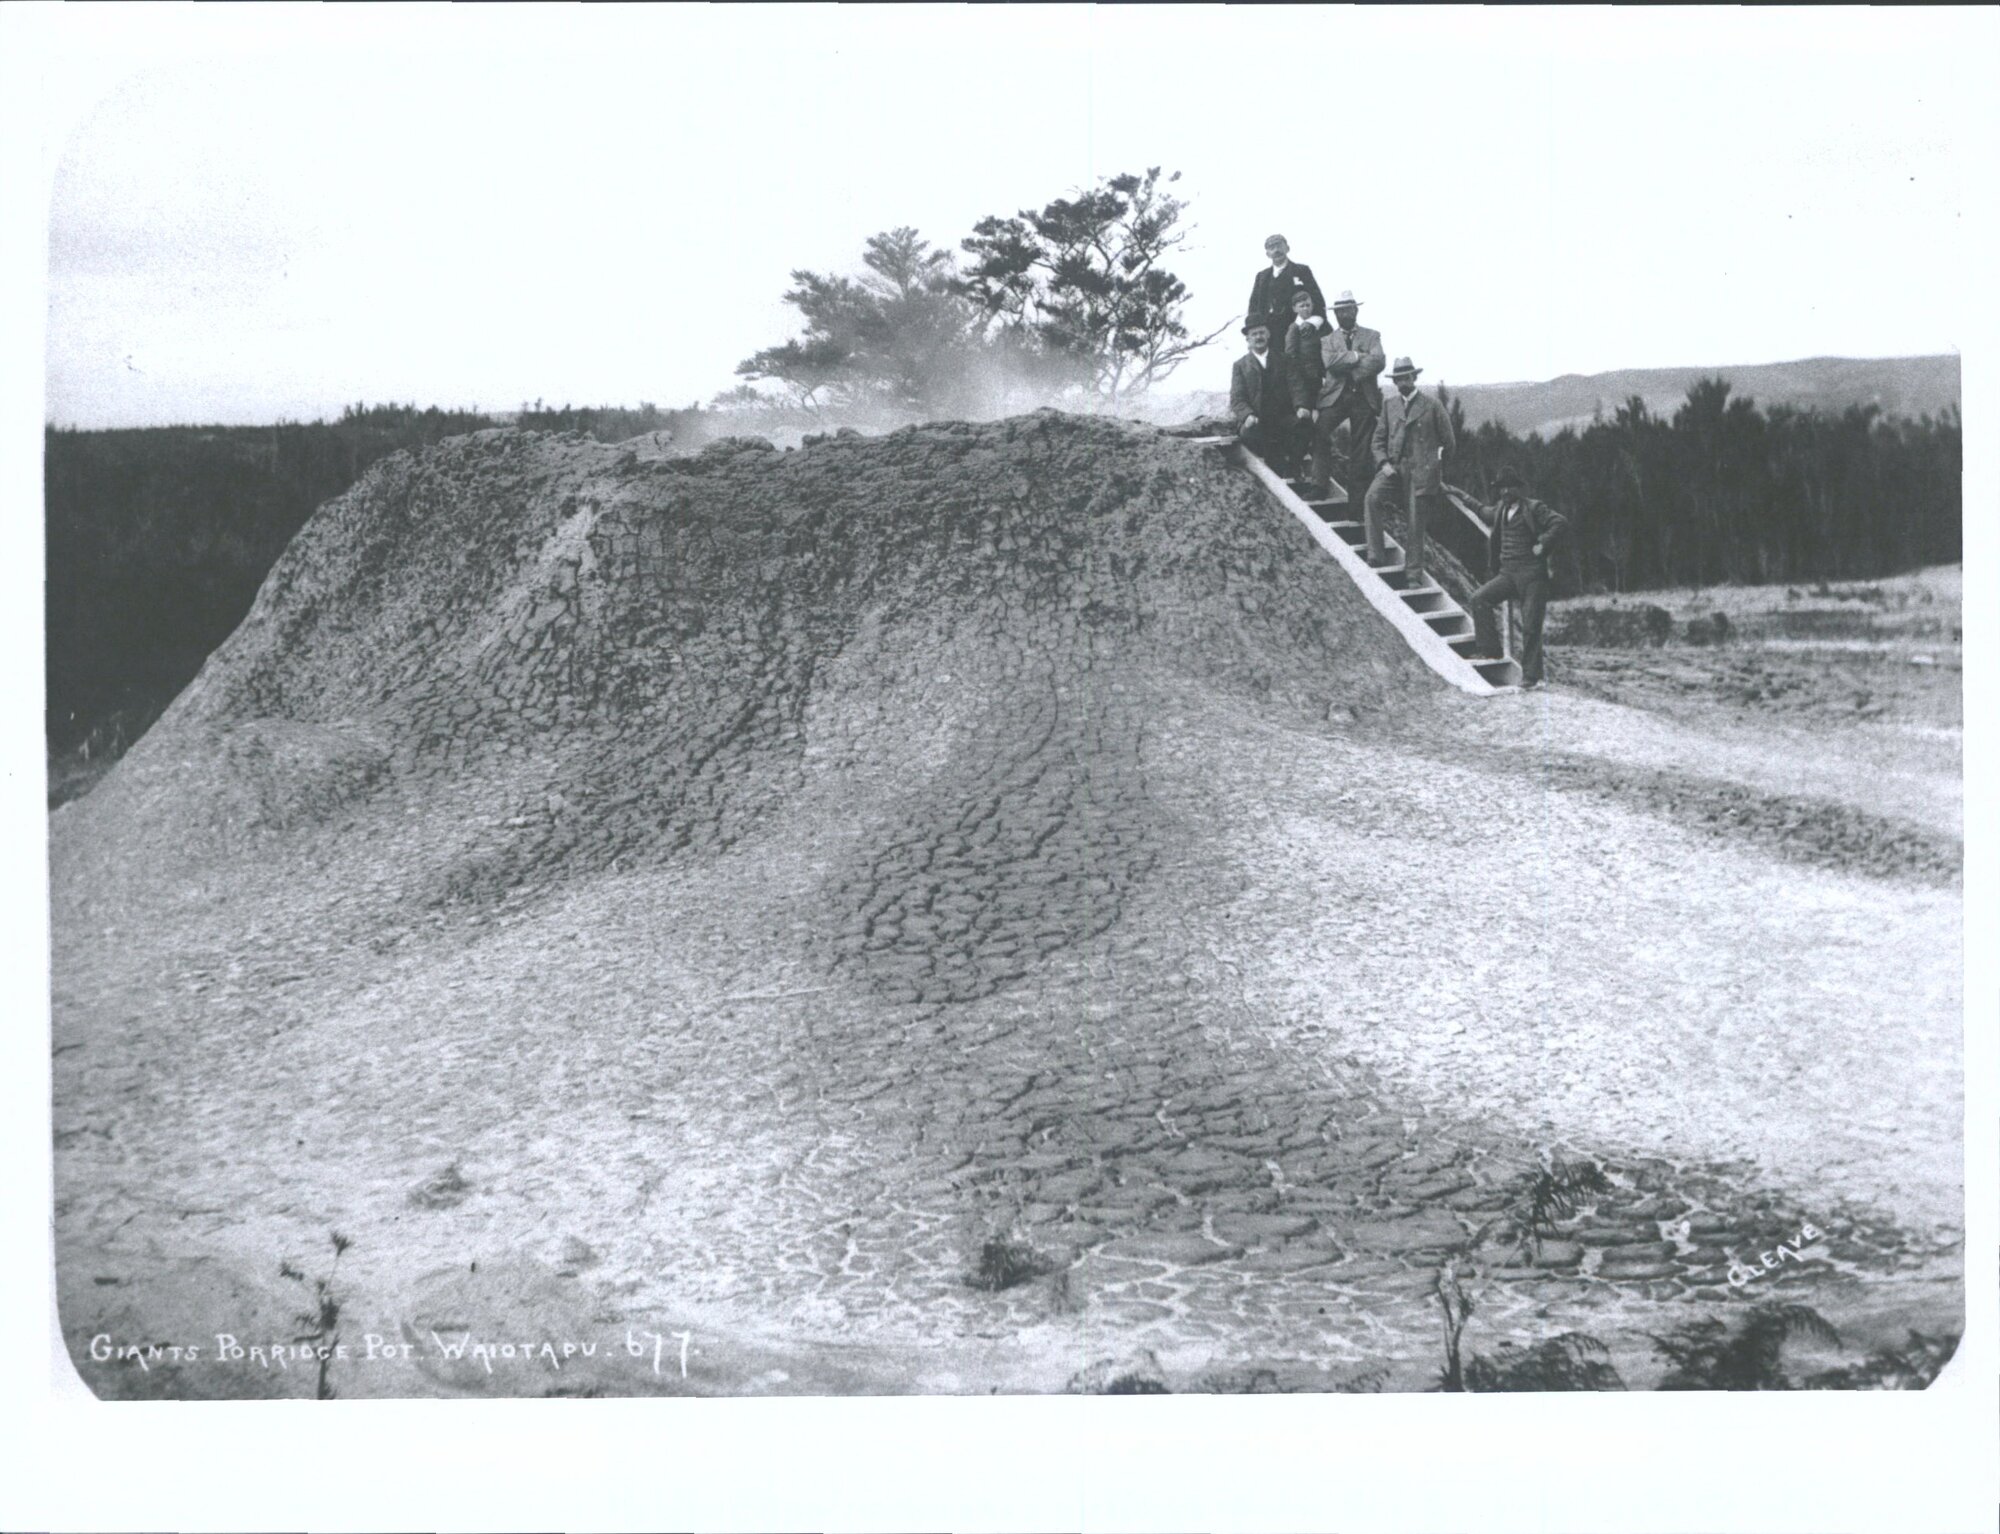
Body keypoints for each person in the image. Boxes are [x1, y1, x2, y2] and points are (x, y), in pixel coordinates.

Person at [1468, 466, 1568, 689]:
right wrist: (1456, 493)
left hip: (1532, 575)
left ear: (1518, 489)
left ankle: (1531, 676)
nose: (1505, 492)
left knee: (1531, 625)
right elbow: (1480, 510)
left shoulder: (1534, 507)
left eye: (1509, 487)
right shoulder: (1500, 510)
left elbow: (1560, 522)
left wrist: (1542, 544)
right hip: (1508, 574)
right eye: (1501, 488)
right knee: (1479, 599)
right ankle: (1490, 650)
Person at [1365, 357, 1455, 576]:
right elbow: (1377, 440)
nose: (1402, 383)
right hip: (1394, 468)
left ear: (1414, 377)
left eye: (1406, 377)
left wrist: (1435, 470)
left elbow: (1449, 442)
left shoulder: (1432, 405)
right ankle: (1376, 555)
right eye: (1398, 379)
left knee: (1415, 521)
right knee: (1372, 497)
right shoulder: (1390, 406)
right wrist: (1384, 463)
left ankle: (1413, 574)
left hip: (1421, 473)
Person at [1313, 290, 1385, 496]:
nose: (1344, 314)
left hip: (1364, 397)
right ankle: (1319, 485)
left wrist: (1350, 370)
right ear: (1335, 314)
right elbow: (1330, 363)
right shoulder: (1327, 340)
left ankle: (1356, 501)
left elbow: (1378, 361)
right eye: (1339, 311)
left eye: (1348, 310)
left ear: (1355, 310)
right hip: (1335, 397)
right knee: (1319, 432)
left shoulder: (1372, 335)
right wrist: (1356, 356)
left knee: (1361, 449)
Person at [1229, 315, 1290, 471]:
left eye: (1262, 332)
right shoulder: (1240, 365)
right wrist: (1247, 415)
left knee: (1301, 428)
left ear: (1268, 335)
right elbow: (1237, 398)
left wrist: (1301, 406)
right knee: (1251, 434)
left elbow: (1296, 387)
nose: (1258, 337)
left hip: (1280, 418)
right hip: (1256, 421)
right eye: (1254, 334)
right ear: (1248, 339)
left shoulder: (1283, 360)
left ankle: (1293, 468)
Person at [1281, 288, 1325, 483]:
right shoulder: (1294, 329)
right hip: (1302, 382)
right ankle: (1295, 464)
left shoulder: (1317, 325)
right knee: (1304, 424)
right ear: (1294, 308)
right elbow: (1290, 358)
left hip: (1318, 381)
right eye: (1301, 306)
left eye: (1308, 305)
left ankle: (1315, 469)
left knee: (1317, 424)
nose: (1305, 308)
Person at [1246, 234, 1325, 343]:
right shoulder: (1262, 277)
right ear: (1267, 254)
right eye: (1272, 248)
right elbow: (1253, 307)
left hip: (1298, 332)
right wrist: (1254, 330)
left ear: (1287, 248)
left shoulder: (1302, 271)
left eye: (1279, 246)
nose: (1276, 250)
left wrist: (1311, 323)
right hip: (1271, 334)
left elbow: (1317, 300)